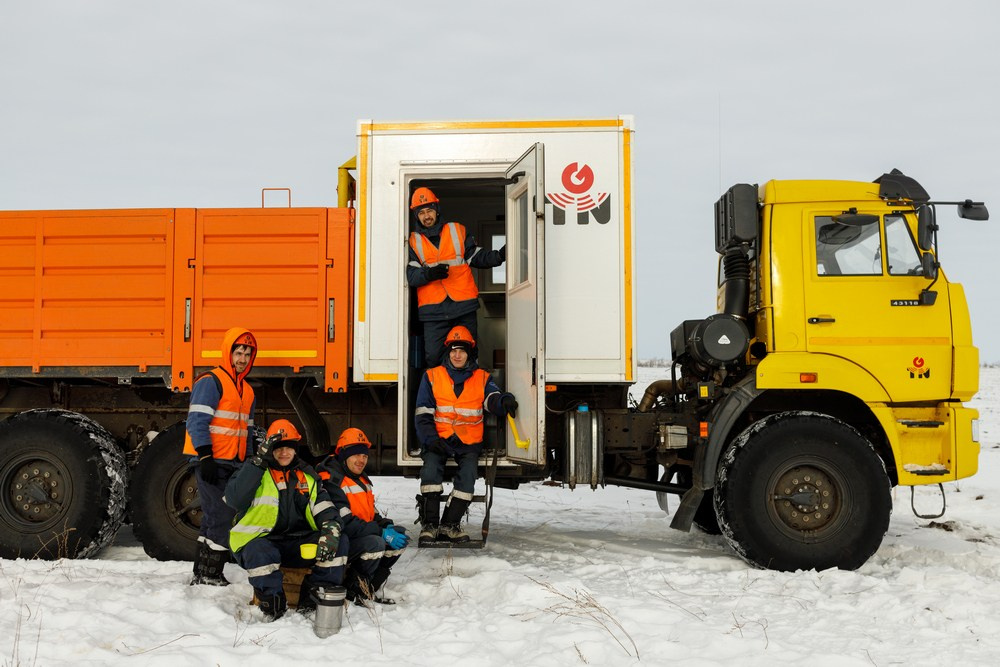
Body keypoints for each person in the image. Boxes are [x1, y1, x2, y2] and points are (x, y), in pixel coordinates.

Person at [224, 419, 348, 622]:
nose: (283, 453)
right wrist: (258, 462)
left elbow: (324, 506)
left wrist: (331, 526)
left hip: (298, 543)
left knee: (339, 542)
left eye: (288, 448)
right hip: (263, 541)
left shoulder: (306, 475)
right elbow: (234, 499)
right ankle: (273, 606)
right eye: (278, 448)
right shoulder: (255, 470)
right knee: (260, 551)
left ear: (295, 450)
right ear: (268, 449)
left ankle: (312, 599)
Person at [414, 326, 517, 545]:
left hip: (468, 443)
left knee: (468, 478)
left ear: (469, 353)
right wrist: (431, 441)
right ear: (448, 353)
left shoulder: (482, 378)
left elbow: (492, 399)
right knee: (430, 473)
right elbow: (422, 414)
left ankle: (450, 526)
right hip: (438, 441)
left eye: (462, 350)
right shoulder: (431, 376)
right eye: (453, 350)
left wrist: (504, 401)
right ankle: (430, 526)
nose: (457, 355)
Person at [182, 326, 258, 586]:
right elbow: (196, 421)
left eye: (248, 354)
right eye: (238, 352)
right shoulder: (210, 381)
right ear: (228, 352)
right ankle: (210, 575)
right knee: (222, 517)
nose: (242, 359)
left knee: (216, 517)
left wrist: (247, 462)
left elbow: (246, 430)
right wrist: (205, 458)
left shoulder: (247, 391)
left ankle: (202, 572)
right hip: (212, 461)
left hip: (233, 463)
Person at [406, 186, 506, 368]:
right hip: (433, 312)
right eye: (421, 213)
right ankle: (439, 396)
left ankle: (469, 394)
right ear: (416, 216)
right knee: (434, 358)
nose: (426, 216)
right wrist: (429, 274)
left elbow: (476, 256)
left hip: (462, 306)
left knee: (468, 354)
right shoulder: (411, 241)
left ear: (437, 210)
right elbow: (412, 277)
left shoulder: (457, 231)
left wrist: (499, 256)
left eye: (429, 210)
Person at [319, 427, 410, 606]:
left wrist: (386, 525)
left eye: (365, 456)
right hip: (340, 541)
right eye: (356, 455)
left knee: (400, 535)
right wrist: (381, 532)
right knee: (375, 544)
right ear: (344, 456)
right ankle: (354, 593)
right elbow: (345, 523)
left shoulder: (360, 479)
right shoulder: (332, 481)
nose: (361, 460)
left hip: (359, 534)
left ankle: (368, 589)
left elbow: (370, 513)